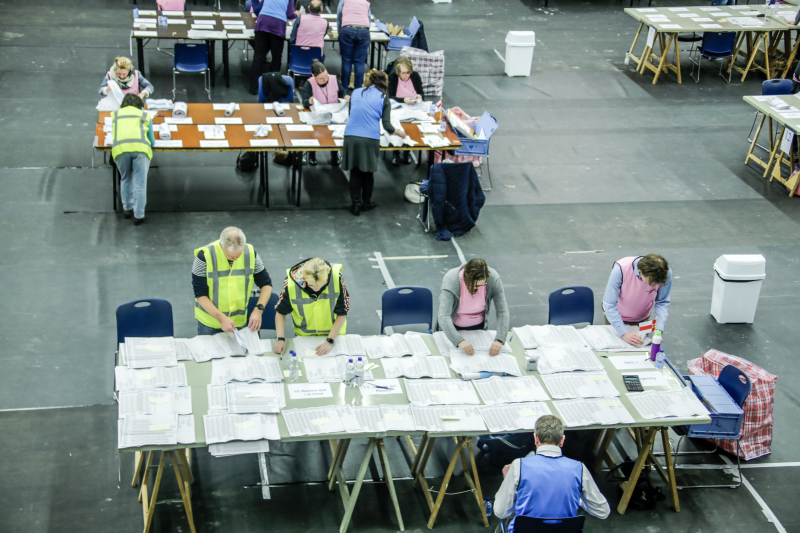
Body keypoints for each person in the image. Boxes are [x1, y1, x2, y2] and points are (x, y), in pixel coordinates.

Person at [494, 415, 610, 531]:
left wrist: (509, 483)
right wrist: (579, 498)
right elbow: (602, 512)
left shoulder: (518, 466)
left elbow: (501, 512)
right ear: (562, 441)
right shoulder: (579, 469)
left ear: (536, 438)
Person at [193, 227, 274, 336]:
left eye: (239, 254)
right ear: (221, 246)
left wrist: (258, 310)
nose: (236, 259)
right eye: (231, 256)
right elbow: (200, 295)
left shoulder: (250, 253)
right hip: (210, 324)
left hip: (239, 323)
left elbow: (266, 285)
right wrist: (222, 319)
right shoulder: (204, 257)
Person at [341, 69, 400, 215]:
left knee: (354, 172)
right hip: (370, 138)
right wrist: (399, 132)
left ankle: (355, 205)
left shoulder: (355, 92)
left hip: (351, 136)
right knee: (367, 173)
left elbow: (351, 113)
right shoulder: (384, 97)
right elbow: (387, 126)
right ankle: (366, 202)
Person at [273, 258, 349, 356]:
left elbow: (342, 312)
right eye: (312, 285)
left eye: (321, 284)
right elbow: (281, 313)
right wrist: (280, 339)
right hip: (304, 337)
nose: (316, 289)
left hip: (334, 334)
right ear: (304, 277)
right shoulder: (291, 285)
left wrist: (329, 341)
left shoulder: (336, 278)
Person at [435, 258, 510, 356]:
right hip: (453, 328)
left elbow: (502, 311)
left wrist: (500, 339)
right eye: (473, 285)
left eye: (481, 285)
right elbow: (444, 315)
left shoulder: (493, 279)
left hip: (478, 330)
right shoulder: (452, 280)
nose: (476, 288)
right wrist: (459, 341)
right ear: (465, 278)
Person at [602, 254, 672, 346]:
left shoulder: (665, 272)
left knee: (639, 349)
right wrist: (623, 333)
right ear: (640, 271)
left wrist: (658, 329)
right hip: (616, 318)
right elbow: (609, 304)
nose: (653, 286)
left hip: (643, 318)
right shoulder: (621, 269)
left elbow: (662, 302)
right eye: (650, 282)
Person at [110, 94, 155, 225]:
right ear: (140, 105)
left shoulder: (116, 115)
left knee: (125, 178)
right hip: (141, 149)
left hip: (120, 149)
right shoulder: (145, 116)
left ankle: (127, 209)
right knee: (140, 183)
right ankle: (139, 215)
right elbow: (151, 141)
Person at [302, 60, 349, 166]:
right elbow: (304, 101)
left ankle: (334, 154)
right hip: (319, 114)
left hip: (334, 112)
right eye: (321, 78)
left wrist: (346, 96)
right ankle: (312, 154)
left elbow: (341, 92)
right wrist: (309, 101)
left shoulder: (334, 79)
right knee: (315, 130)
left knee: (336, 130)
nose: (325, 79)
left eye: (326, 76)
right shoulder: (309, 83)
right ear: (314, 76)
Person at [250, 0, 299, 94]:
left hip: (262, 22)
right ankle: (271, 87)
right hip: (278, 26)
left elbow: (258, 9)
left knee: (258, 57)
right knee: (276, 58)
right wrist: (296, 14)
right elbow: (289, 14)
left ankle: (253, 87)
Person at [388, 57, 424, 166]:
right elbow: (391, 96)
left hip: (412, 107)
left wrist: (419, 96)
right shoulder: (393, 77)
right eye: (403, 73)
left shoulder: (415, 76)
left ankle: (407, 151)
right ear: (398, 72)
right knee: (396, 125)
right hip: (398, 107)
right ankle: (396, 152)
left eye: (408, 72)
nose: (406, 75)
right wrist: (403, 100)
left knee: (411, 126)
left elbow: (422, 93)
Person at [338, 0, 372, 91]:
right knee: (360, 62)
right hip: (363, 31)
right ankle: (358, 89)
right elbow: (369, 18)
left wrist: (340, 33)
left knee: (346, 61)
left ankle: (344, 89)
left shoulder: (344, 1)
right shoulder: (365, 2)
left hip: (347, 29)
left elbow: (339, 17)